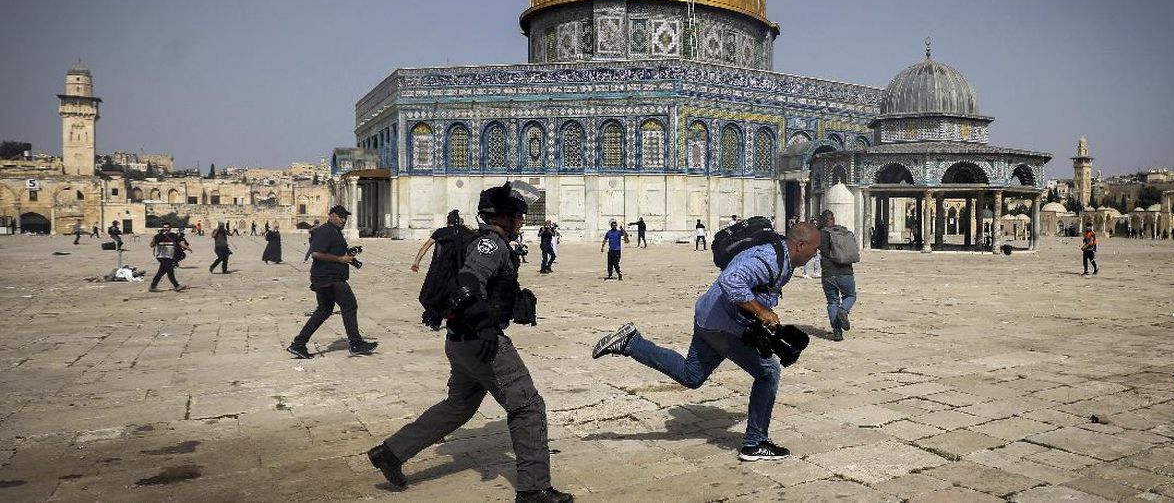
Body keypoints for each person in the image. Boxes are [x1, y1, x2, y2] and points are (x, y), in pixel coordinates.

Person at [368, 182, 572, 503]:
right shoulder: (490, 244)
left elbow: (490, 288)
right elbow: (468, 281)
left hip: (461, 343)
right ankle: (533, 488)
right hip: (482, 344)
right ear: (503, 217)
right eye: (518, 216)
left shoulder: (495, 242)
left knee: (458, 407)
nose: (521, 222)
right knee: (527, 406)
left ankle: (391, 452)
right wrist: (486, 326)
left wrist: (516, 302)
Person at [592, 222, 820, 462]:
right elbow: (731, 280)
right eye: (814, 249)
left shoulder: (780, 256)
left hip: (709, 315)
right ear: (800, 245)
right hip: (723, 325)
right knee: (769, 373)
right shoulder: (770, 260)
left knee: (692, 375)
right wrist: (761, 311)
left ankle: (631, 342)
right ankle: (755, 443)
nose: (816, 254)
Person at [287, 206, 376, 358]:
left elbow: (332, 251)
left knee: (324, 310)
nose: (343, 220)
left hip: (325, 278)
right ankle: (356, 343)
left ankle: (298, 344)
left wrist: (348, 255)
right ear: (331, 215)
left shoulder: (334, 231)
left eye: (345, 217)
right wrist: (340, 259)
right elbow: (316, 253)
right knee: (349, 306)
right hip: (329, 278)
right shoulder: (326, 231)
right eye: (341, 217)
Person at [817, 210, 857, 342]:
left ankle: (837, 332)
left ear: (822, 220)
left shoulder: (821, 234)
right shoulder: (843, 232)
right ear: (833, 219)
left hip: (828, 273)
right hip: (845, 271)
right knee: (850, 296)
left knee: (832, 301)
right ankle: (844, 310)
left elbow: (821, 250)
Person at [148, 224, 183, 292]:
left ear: (170, 228)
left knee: (161, 272)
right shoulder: (158, 236)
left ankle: (153, 286)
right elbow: (151, 245)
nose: (166, 229)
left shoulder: (173, 235)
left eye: (167, 227)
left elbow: (179, 243)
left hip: (170, 256)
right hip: (161, 256)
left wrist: (187, 248)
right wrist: (154, 239)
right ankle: (176, 286)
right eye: (164, 227)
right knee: (170, 271)